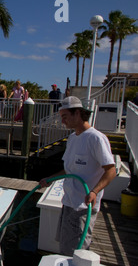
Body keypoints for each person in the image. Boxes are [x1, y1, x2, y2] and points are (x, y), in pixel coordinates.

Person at [39, 96, 116, 256]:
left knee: (77, 252)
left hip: (83, 206)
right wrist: (50, 178)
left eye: (65, 116)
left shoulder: (95, 138)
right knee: (65, 247)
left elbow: (111, 170)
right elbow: (69, 170)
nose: (62, 121)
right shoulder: (73, 138)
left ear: (78, 113)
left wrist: (94, 191)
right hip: (68, 202)